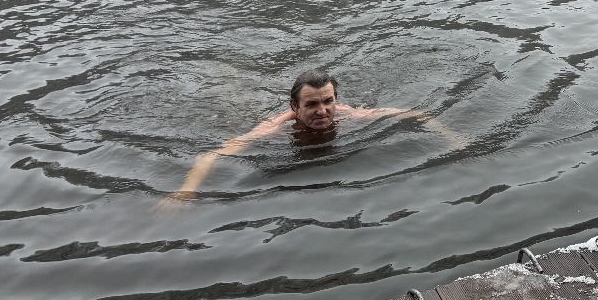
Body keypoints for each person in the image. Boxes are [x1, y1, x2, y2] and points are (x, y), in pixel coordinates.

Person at [162, 69, 463, 203]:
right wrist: (185, 192)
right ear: (295, 106)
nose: (323, 111)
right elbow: (212, 155)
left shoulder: (348, 114)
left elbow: (413, 113)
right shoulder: (273, 128)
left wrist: (452, 137)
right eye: (312, 104)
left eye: (328, 101)